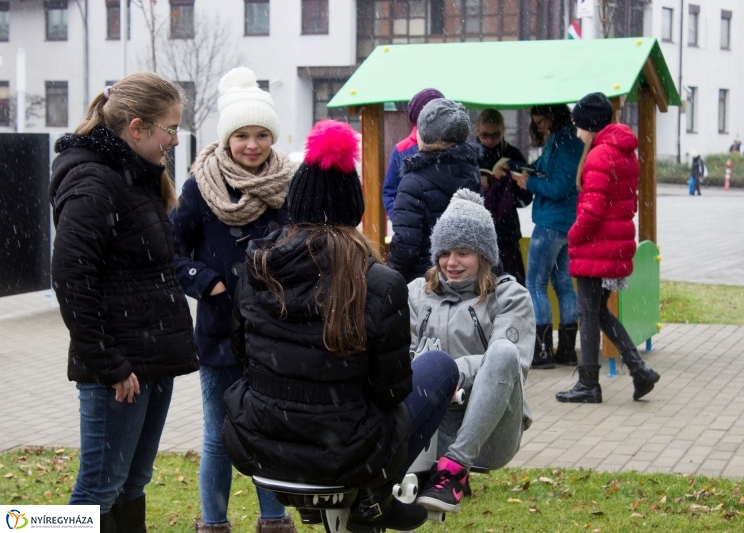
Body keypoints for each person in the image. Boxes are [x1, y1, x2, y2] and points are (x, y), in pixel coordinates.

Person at [222, 120, 460, 533]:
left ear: (296, 205)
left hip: (261, 443)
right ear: (355, 210)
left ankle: (373, 501)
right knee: (439, 366)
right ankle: (376, 499)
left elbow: (243, 358)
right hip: (348, 451)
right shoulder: (379, 282)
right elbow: (391, 390)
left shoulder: (257, 268)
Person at [49, 73, 199, 532]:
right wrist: (109, 363)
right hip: (119, 372)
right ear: (136, 127)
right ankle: (15, 523)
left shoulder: (134, 176)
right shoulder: (94, 182)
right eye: (169, 128)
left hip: (149, 364)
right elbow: (71, 277)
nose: (174, 140)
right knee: (96, 491)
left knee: (131, 483)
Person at [169, 67, 296, 533]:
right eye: (242, 135)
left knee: (271, 432)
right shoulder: (199, 188)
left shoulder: (288, 186)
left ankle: (274, 519)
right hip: (220, 333)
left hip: (276, 335)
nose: (252, 145)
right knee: (219, 436)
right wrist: (207, 282)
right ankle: (214, 522)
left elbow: (306, 248)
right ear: (226, 139)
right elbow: (172, 252)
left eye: (262, 134)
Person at [408, 189, 535, 514]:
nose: (451, 262)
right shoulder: (415, 294)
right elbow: (399, 358)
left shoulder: (510, 297)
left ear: (483, 255)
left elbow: (511, 363)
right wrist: (431, 385)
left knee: (504, 351)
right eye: (445, 252)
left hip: (492, 432)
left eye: (463, 253)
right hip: (430, 423)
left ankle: (453, 471)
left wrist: (447, 375)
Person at [556, 92, 660, 404]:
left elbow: (592, 210)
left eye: (579, 126)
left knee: (587, 312)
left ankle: (589, 384)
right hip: (614, 244)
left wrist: (573, 236)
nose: (576, 133)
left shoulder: (600, 155)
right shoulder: (623, 151)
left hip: (596, 245)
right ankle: (639, 370)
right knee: (597, 310)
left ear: (590, 124)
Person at [511, 105, 583, 368]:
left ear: (553, 117)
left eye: (540, 121)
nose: (538, 127)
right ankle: (566, 350)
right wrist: (515, 167)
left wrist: (528, 183)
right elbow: (540, 167)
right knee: (563, 284)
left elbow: (558, 186)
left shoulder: (564, 142)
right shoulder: (565, 139)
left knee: (535, 284)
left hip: (552, 222)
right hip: (568, 223)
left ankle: (541, 353)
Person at [388, 98, 482, 282]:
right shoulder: (472, 174)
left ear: (427, 137)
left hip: (425, 283)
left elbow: (405, 246)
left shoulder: (413, 182)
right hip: (464, 279)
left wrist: (391, 277)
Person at [474, 109, 533, 285]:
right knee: (480, 286)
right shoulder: (469, 155)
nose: (490, 140)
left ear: (503, 131)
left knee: (513, 286)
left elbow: (526, 197)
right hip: (479, 230)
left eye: (495, 135)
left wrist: (509, 186)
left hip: (506, 231)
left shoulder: (513, 155)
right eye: (485, 135)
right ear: (477, 131)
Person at [382, 88, 445, 218]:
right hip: (414, 229)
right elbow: (390, 191)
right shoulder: (402, 149)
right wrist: (401, 220)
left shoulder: (452, 146)